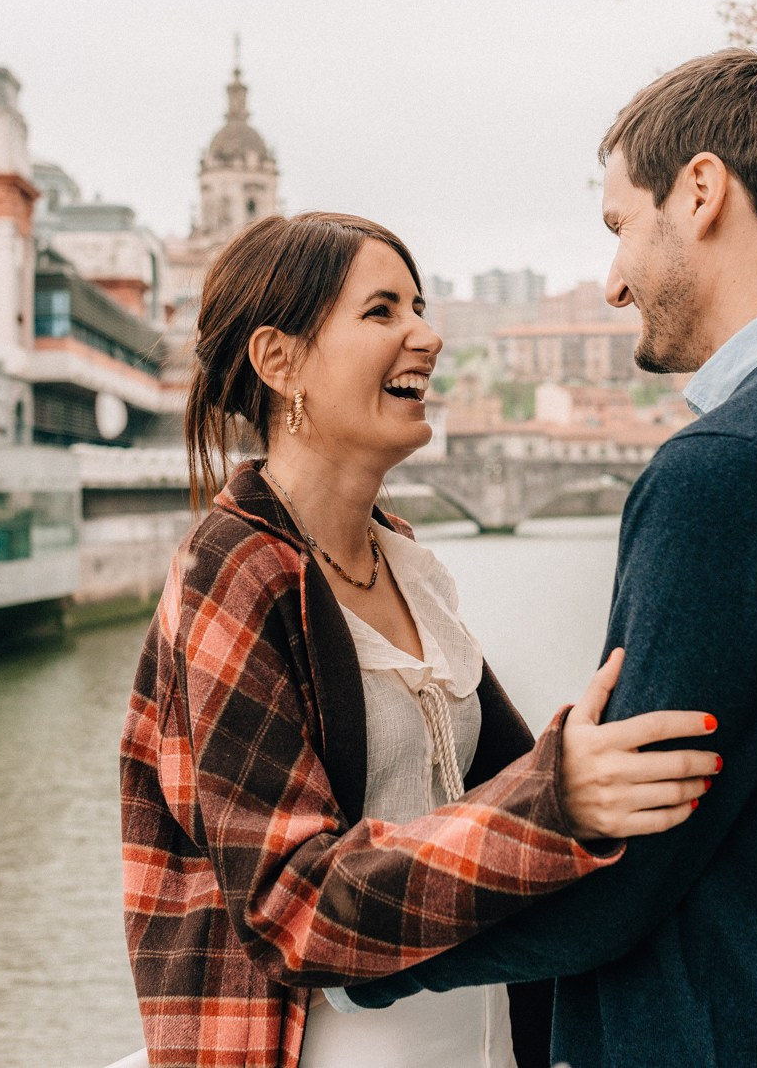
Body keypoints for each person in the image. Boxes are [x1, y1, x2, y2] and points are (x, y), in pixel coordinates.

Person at [342, 50, 757, 1066]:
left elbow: (629, 859)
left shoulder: (736, 466)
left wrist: (351, 938)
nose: (610, 284)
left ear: (698, 192)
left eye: (618, 228)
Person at [118, 211, 725, 1068]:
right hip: (325, 1048)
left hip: (477, 1038)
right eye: (382, 312)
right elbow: (293, 905)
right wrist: (555, 799)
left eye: (421, 306)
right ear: (278, 360)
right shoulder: (233, 568)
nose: (428, 336)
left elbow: (504, 786)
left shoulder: (400, 556)